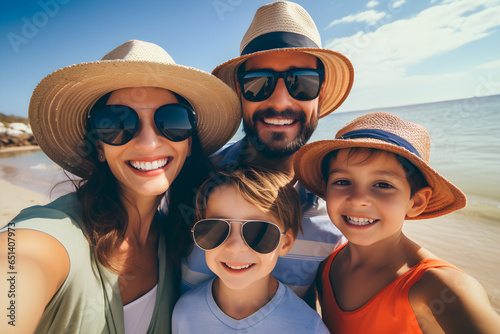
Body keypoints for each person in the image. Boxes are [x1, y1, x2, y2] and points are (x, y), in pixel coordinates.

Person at [0, 40, 241, 334]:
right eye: (117, 123)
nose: (149, 142)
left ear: (189, 143)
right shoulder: (47, 236)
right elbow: (16, 268)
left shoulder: (176, 239)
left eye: (173, 120)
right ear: (99, 147)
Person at [180, 0, 354, 306]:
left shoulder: (338, 209)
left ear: (321, 94)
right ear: (238, 93)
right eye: (258, 84)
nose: (280, 101)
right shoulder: (188, 179)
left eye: (302, 83)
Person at [293, 111, 500, 333]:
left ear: (417, 201)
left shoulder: (440, 287)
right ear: (325, 190)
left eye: (383, 185)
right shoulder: (326, 266)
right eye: (342, 181)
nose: (358, 199)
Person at [172, 167, 329, 333]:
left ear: (285, 243)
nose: (234, 247)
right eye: (215, 229)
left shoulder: (309, 327)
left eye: (258, 231)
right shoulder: (184, 312)